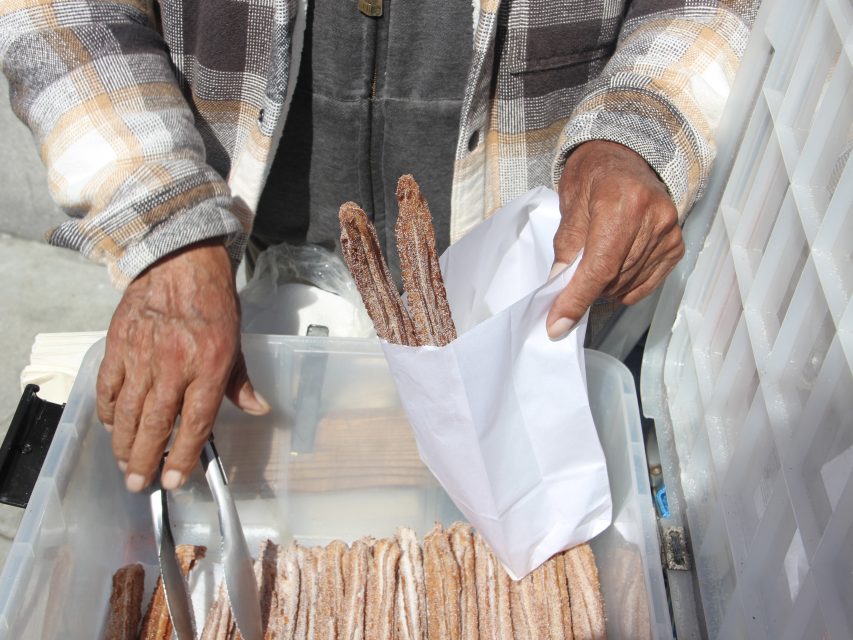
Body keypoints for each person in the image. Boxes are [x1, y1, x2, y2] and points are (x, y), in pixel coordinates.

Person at [1, 0, 757, 493]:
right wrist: (165, 233)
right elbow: (64, 14)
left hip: (534, 300)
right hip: (245, 265)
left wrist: (638, 131)